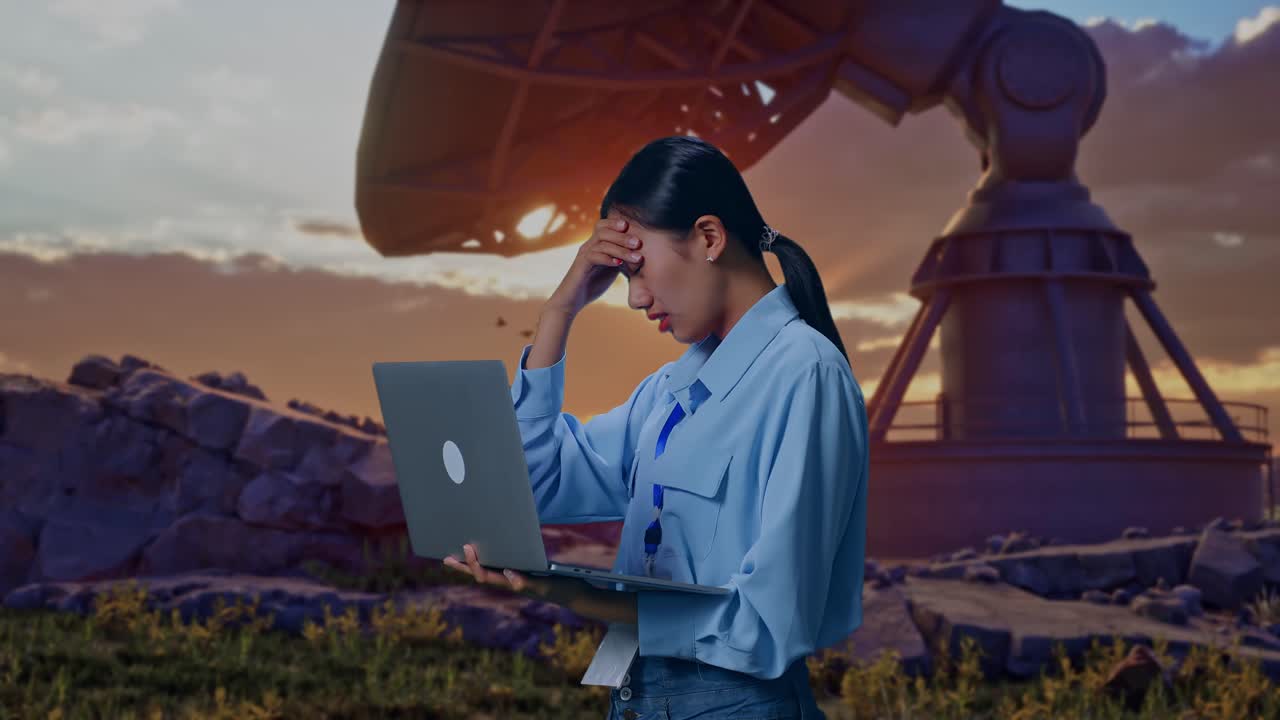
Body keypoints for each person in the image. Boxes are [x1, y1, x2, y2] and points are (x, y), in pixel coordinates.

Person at [444, 135, 868, 720]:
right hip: (636, 695)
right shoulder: (669, 391)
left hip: (737, 705)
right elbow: (532, 486)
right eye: (622, 278)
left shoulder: (806, 375)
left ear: (709, 237)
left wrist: (575, 594)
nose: (635, 299)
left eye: (637, 269)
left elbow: (769, 623)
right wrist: (559, 312)